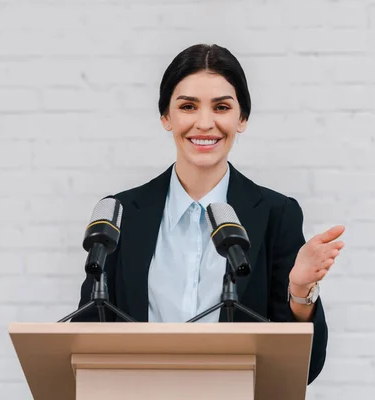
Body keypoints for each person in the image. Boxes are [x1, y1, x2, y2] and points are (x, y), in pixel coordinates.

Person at [73, 43, 345, 384]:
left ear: (241, 118)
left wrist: (300, 292)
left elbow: (305, 370)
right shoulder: (122, 213)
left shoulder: (277, 215)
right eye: (188, 106)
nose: (204, 123)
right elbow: (84, 339)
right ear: (165, 117)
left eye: (221, 107)